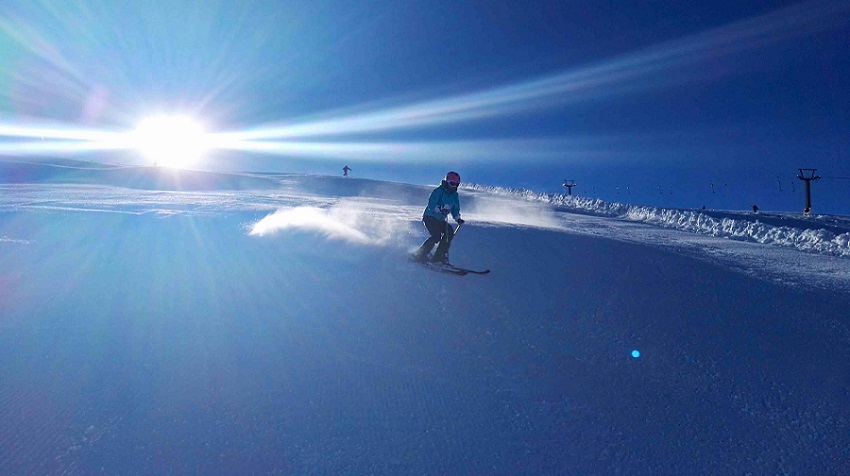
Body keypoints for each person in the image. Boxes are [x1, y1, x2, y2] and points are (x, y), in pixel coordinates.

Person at [412, 171, 465, 264]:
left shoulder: (455, 195)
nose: (454, 186)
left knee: (449, 232)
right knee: (436, 236)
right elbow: (431, 204)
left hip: (440, 219)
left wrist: (457, 218)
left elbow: (455, 209)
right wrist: (439, 209)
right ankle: (420, 254)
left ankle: (438, 256)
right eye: (452, 183)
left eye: (456, 184)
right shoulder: (438, 191)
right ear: (447, 182)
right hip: (430, 217)